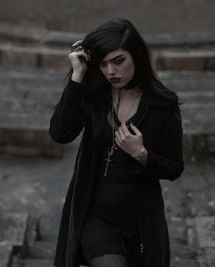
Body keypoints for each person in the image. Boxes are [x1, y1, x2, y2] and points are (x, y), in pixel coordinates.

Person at [50, 18, 184, 267]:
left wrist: (142, 154)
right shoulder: (94, 97)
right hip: (95, 215)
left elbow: (175, 167)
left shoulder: (163, 105)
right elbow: (60, 133)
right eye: (103, 64)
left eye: (118, 61)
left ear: (137, 56)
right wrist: (78, 75)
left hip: (141, 220)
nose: (111, 71)